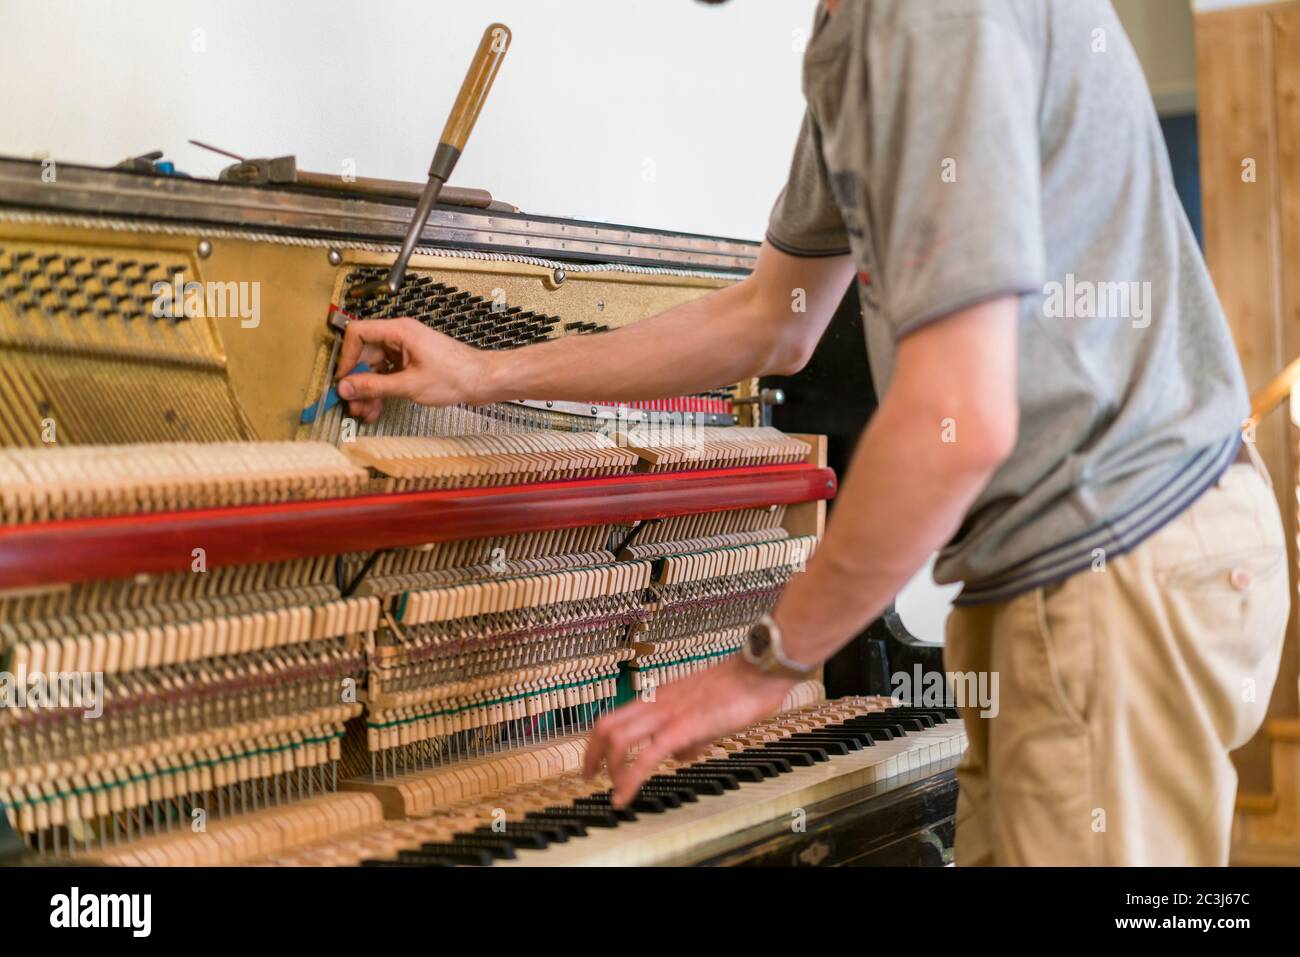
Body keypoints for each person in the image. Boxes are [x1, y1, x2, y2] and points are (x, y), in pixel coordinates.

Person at [336, 0, 1289, 865]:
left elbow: (958, 421)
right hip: (1071, 569)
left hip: (1111, 563)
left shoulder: (920, 19)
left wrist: (761, 668)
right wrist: (481, 373)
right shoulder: (861, 36)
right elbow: (773, 324)